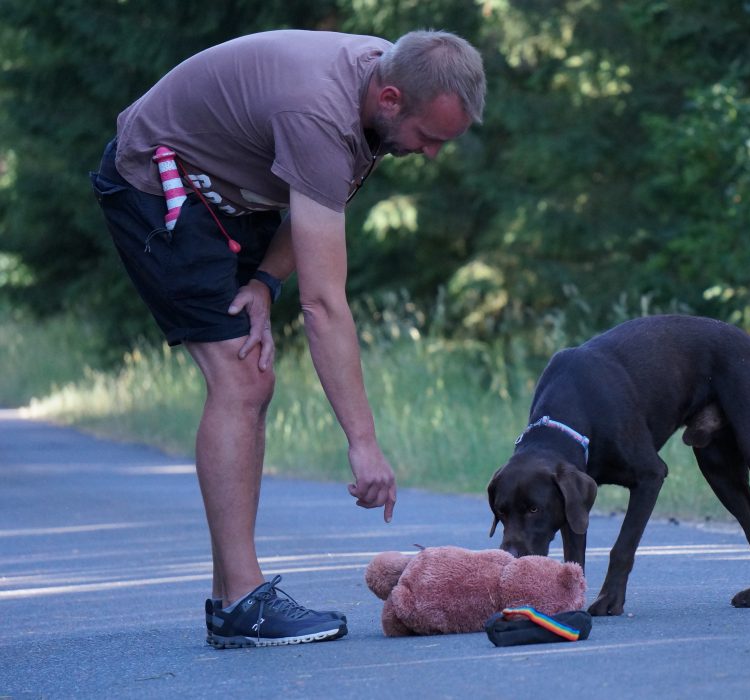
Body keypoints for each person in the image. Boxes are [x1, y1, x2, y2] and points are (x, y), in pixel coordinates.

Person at [89, 28, 486, 648]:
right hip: (159, 182)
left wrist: (265, 283)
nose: (432, 154)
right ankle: (243, 604)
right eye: (429, 139)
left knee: (251, 376)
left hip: (233, 193)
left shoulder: (389, 86)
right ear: (388, 98)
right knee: (242, 376)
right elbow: (326, 305)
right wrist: (364, 445)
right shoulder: (319, 112)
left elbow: (318, 198)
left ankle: (232, 602)